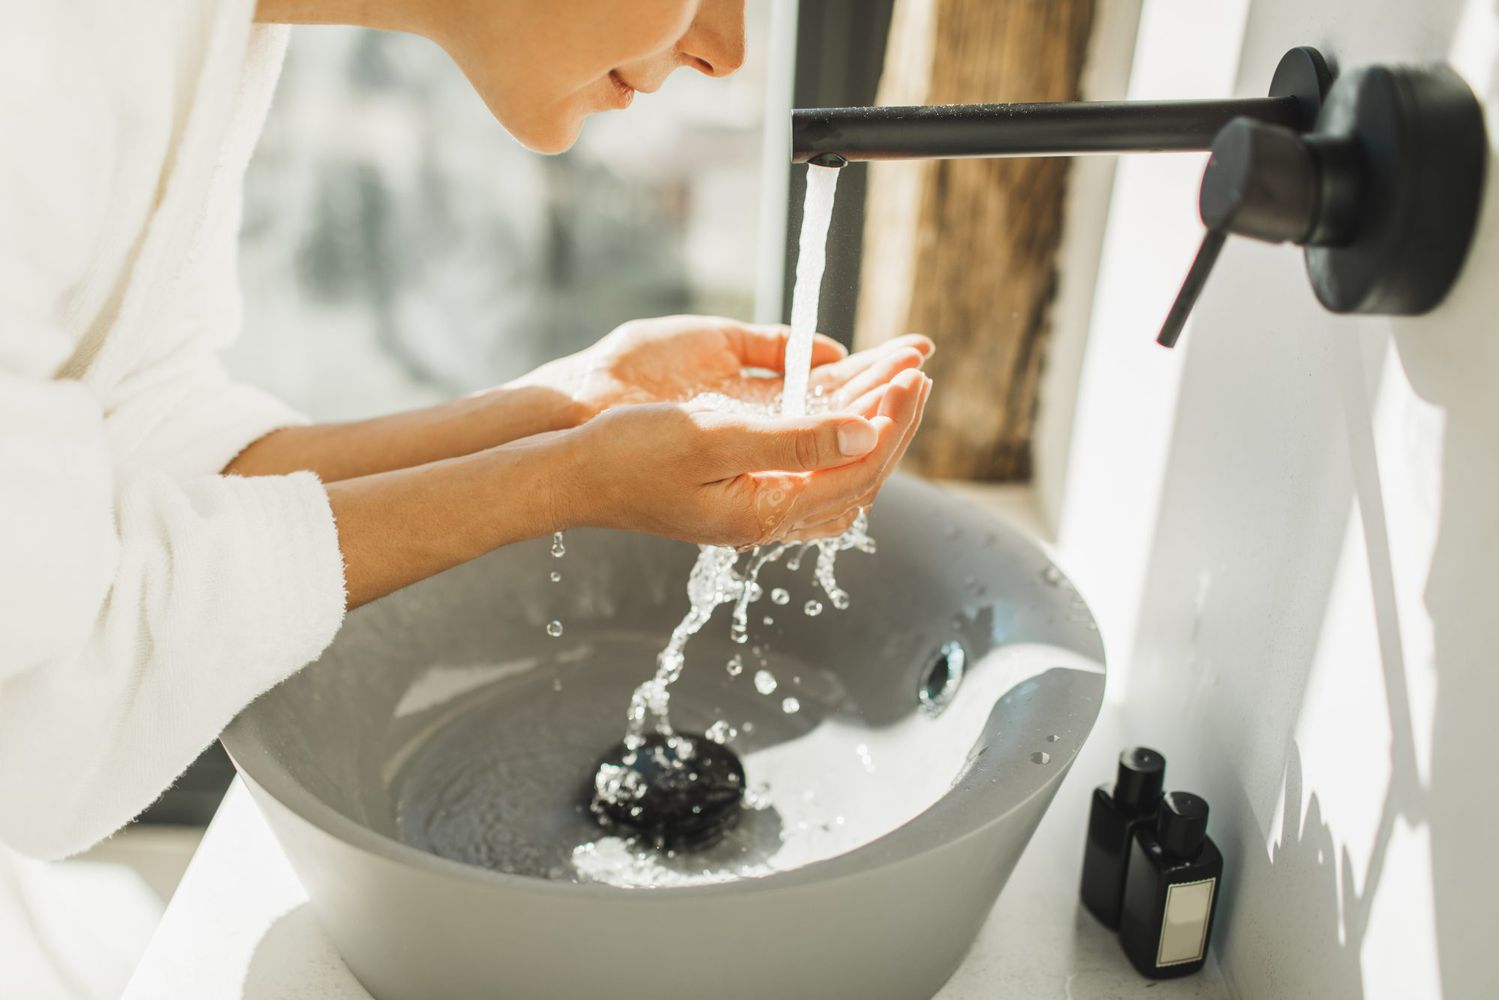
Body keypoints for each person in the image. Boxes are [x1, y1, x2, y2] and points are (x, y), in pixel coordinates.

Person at [0, 0, 932, 860]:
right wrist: (565, 482)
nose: (726, 52)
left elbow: (143, 439)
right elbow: (38, 674)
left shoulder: (197, 30)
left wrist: (566, 410)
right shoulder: (38, 53)